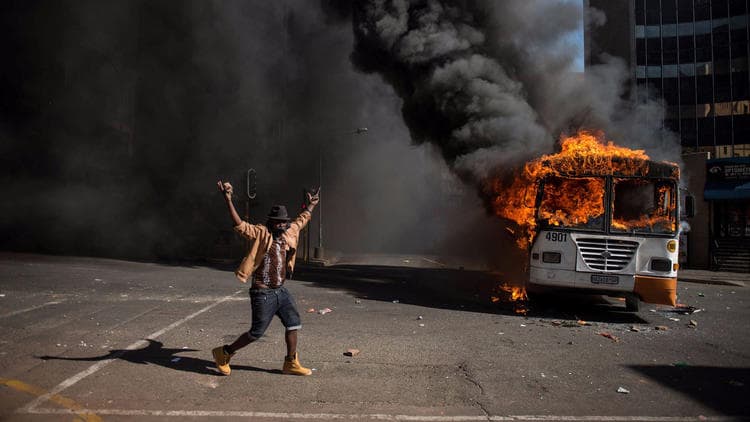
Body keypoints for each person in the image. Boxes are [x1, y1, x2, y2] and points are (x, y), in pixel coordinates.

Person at [212, 180, 319, 376]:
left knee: (293, 323)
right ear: (271, 222)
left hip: (281, 291)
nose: (282, 224)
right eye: (278, 221)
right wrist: (228, 200)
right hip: (263, 292)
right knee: (256, 333)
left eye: (284, 221)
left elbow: (303, 219)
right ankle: (224, 352)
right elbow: (240, 225)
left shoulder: (289, 232)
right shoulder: (262, 232)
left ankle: (291, 362)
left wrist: (312, 204)